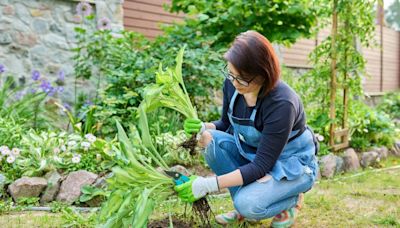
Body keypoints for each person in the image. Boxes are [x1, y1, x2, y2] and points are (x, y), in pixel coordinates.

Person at [174, 30, 319, 227]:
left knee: (249, 204)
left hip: (291, 165)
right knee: (208, 139)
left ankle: (291, 201)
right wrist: (203, 126)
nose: (234, 82)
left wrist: (207, 185)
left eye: (242, 79)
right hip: (256, 156)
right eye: (231, 74)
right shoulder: (232, 83)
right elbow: (225, 124)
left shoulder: (282, 103)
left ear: (263, 74)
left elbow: (261, 166)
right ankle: (241, 209)